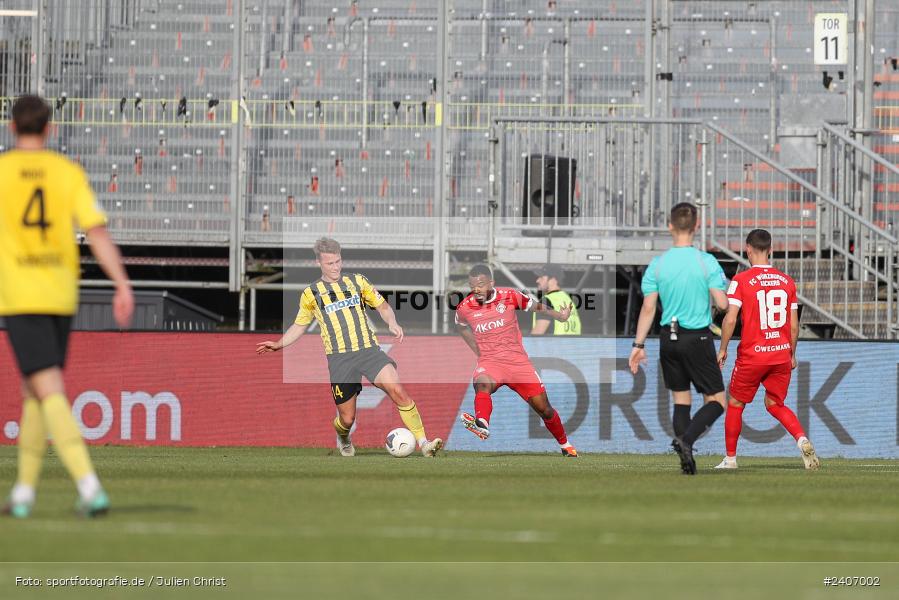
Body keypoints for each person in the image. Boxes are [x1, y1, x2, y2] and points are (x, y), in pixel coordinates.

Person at [1, 95, 134, 518]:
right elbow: (95, 232)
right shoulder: (66, 171)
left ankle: (89, 486)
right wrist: (121, 283)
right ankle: (23, 495)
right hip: (60, 294)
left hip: (21, 295)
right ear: (49, 128)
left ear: (11, 127)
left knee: (48, 387)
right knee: (34, 391)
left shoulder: (2, 173)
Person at [256, 237, 442, 457]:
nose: (335, 267)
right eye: (330, 263)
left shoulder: (358, 281)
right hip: (340, 359)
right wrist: (279, 344)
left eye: (338, 261)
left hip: (369, 351)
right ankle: (343, 436)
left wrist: (391, 321)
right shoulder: (311, 293)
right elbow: (299, 325)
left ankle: (424, 443)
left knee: (398, 390)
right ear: (319, 263)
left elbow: (382, 306)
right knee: (347, 418)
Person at [628, 203, 729, 474]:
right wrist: (718, 300)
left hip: (667, 338)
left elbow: (649, 308)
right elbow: (722, 302)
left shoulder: (658, 264)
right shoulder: (705, 261)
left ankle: (688, 462)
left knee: (681, 400)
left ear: (670, 226)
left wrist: (638, 345)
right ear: (696, 227)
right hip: (696, 337)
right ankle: (686, 441)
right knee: (718, 400)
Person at [715, 229, 819, 470]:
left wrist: (723, 348)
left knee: (735, 403)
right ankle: (802, 439)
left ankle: (730, 459)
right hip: (781, 353)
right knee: (775, 404)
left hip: (753, 355)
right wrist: (791, 354)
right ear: (770, 250)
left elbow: (730, 319)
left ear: (748, 249)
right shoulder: (787, 281)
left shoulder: (741, 280)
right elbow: (794, 325)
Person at [455, 264, 578, 457]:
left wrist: (560, 316)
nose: (476, 290)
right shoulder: (465, 307)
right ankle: (482, 424)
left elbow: (537, 307)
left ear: (491, 283)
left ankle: (566, 445)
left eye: (480, 285)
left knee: (544, 410)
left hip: (518, 363)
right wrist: (478, 351)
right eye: (472, 286)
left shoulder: (510, 295)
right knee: (482, 384)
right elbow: (461, 327)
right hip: (490, 362)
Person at [532, 264, 581, 336]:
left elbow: (536, 337)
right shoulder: (569, 301)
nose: (537, 280)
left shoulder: (546, 301)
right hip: (572, 346)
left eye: (541, 277)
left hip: (553, 346)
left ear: (553, 280)